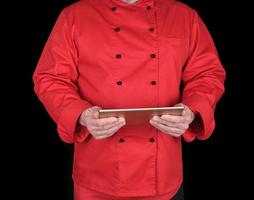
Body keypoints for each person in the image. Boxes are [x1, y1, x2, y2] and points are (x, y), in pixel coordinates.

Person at [33, 0, 226, 199]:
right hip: (98, 172)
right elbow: (51, 78)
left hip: (162, 175)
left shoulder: (183, 16)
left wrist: (191, 110)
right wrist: (81, 115)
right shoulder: (75, 15)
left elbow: (207, 74)